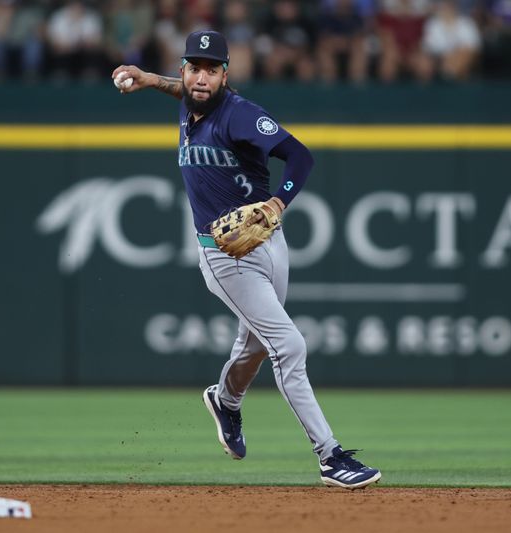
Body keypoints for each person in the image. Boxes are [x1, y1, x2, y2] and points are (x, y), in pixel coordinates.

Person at [111, 30, 381, 490]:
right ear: (184, 70)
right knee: (289, 345)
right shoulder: (189, 100)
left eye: (211, 70)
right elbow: (184, 92)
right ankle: (330, 456)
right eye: (194, 67)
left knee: (258, 344)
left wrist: (277, 204)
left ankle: (225, 400)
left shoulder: (239, 116)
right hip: (223, 257)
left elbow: (300, 156)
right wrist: (148, 79)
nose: (201, 78)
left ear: (225, 75)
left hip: (267, 243)